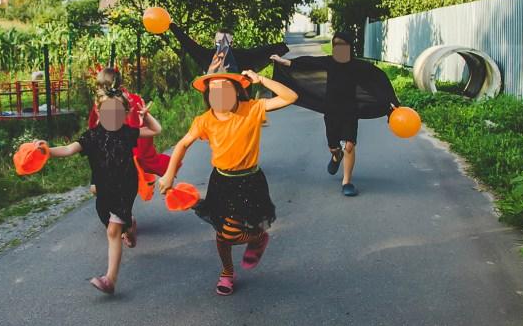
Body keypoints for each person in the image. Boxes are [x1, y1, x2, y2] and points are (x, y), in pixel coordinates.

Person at [158, 36, 297, 296]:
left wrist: (262, 79)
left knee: (232, 233)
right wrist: (168, 175)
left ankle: (257, 238)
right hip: (221, 180)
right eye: (214, 90)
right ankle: (227, 271)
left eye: (226, 88)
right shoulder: (204, 120)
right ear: (208, 94)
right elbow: (181, 145)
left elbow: (290, 97)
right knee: (223, 235)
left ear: (237, 89)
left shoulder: (253, 109)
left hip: (250, 181)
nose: (220, 94)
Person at [36, 83, 162, 294]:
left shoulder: (127, 132)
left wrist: (146, 116)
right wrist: (47, 151)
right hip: (104, 189)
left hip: (125, 186)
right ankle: (130, 227)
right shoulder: (91, 136)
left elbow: (156, 130)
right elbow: (68, 149)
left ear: (124, 114)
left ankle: (110, 279)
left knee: (113, 231)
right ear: (98, 111)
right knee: (114, 223)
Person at [271, 31, 400, 197]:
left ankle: (347, 181)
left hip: (350, 111)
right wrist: (284, 61)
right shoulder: (329, 62)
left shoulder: (357, 66)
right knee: (334, 146)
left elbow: (378, 79)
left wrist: (391, 101)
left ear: (349, 47)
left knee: (350, 145)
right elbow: (308, 62)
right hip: (331, 110)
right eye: (336, 46)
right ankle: (335, 156)